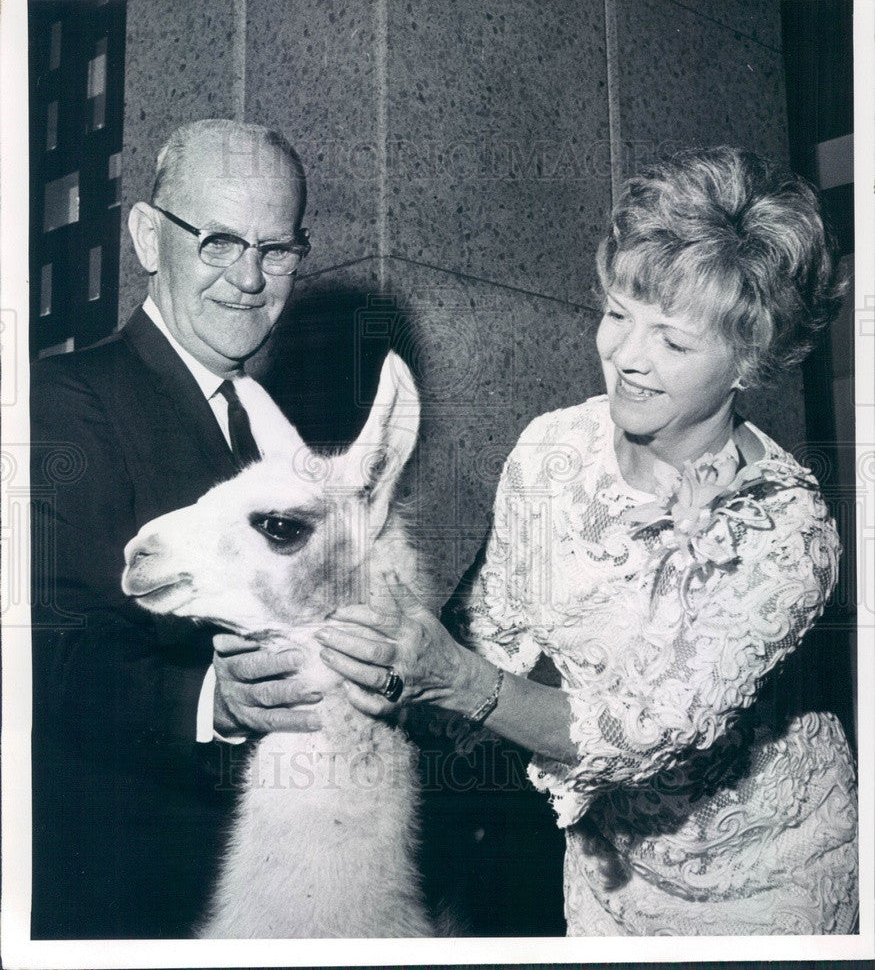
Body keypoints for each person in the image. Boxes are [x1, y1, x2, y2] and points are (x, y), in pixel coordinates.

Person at [314, 147, 859, 935]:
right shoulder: (550, 449)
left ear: (750, 356)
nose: (627, 358)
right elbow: (489, 630)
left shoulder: (786, 529)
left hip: (769, 883)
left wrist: (454, 682)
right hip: (604, 870)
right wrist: (368, 667)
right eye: (616, 314)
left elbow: (644, 731)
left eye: (671, 342)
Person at [30, 119, 324, 938]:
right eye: (221, 242)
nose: (249, 278)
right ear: (148, 238)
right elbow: (43, 647)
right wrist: (212, 701)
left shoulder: (275, 434)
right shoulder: (67, 399)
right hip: (139, 898)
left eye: (277, 250)